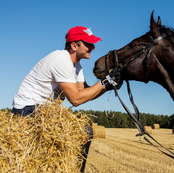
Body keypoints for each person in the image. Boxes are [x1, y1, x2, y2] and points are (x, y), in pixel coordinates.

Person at [12, 26, 121, 171]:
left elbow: (84, 94)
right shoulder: (61, 60)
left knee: (85, 131)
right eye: (88, 44)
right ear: (74, 46)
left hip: (45, 111)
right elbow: (75, 100)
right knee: (81, 131)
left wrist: (108, 85)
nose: (93, 47)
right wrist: (104, 83)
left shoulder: (77, 66)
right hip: (27, 109)